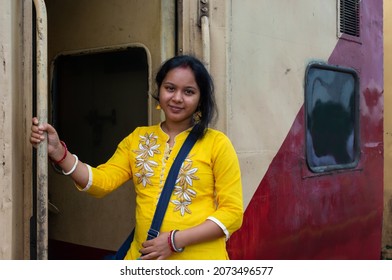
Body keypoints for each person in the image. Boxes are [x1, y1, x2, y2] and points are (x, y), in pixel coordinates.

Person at [30, 55, 243, 260]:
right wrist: (59, 153)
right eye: (170, 88)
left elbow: (232, 213)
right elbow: (101, 182)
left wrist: (173, 240)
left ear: (200, 99)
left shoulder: (217, 143)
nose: (177, 98)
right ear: (159, 90)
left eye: (188, 91)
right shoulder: (138, 138)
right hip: (143, 260)